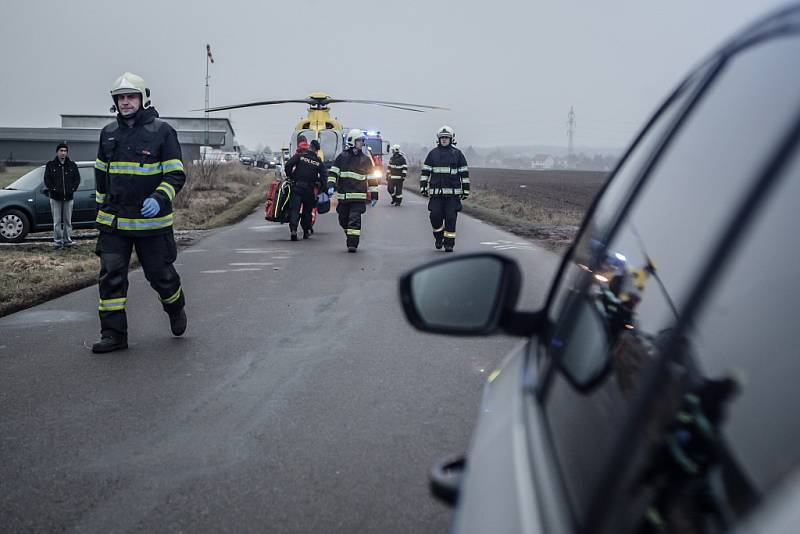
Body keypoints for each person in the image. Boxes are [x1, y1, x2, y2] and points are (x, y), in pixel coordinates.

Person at [91, 72, 187, 353]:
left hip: (151, 224)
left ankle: (175, 307)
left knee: (161, 276)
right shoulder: (108, 133)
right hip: (114, 223)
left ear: (143, 98)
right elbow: (100, 177)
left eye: (131, 96)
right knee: (111, 277)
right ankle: (113, 335)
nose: (125, 102)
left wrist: (160, 197)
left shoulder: (163, 132)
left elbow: (175, 174)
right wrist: (101, 210)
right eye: (120, 98)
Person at [420, 126, 470, 252]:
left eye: (446, 138)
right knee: (435, 217)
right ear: (438, 139)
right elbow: (426, 172)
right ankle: (438, 237)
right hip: (436, 195)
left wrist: (466, 190)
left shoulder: (457, 154)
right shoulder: (432, 154)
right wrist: (423, 187)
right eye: (442, 138)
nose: (444, 140)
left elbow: (464, 173)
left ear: (451, 139)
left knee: (451, 220)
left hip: (452, 196)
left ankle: (449, 244)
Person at [327, 129, 378, 252]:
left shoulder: (365, 160)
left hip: (358, 198)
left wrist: (374, 195)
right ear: (351, 141)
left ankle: (352, 244)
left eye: (362, 141)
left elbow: (372, 178)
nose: (361, 143)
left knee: (354, 220)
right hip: (343, 197)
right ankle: (350, 236)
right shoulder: (341, 158)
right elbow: (333, 172)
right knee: (343, 220)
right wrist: (330, 185)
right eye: (359, 140)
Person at [283, 136, 326, 240]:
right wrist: (322, 189)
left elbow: (288, 165)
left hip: (297, 187)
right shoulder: (318, 161)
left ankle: (293, 230)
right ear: (316, 150)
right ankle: (306, 231)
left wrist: (290, 176)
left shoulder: (300, 156)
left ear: (309, 147)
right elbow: (324, 176)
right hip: (309, 190)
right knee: (307, 211)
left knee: (295, 209)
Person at [43, 142, 81, 248]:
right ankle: (58, 241)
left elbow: (77, 179)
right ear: (57, 152)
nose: (63, 153)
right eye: (61, 151)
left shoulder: (72, 165)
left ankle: (67, 240)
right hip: (55, 198)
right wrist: (53, 189)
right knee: (57, 221)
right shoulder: (50, 165)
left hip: (69, 198)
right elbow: (47, 179)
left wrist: (72, 189)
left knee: (68, 221)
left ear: (67, 152)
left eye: (65, 151)